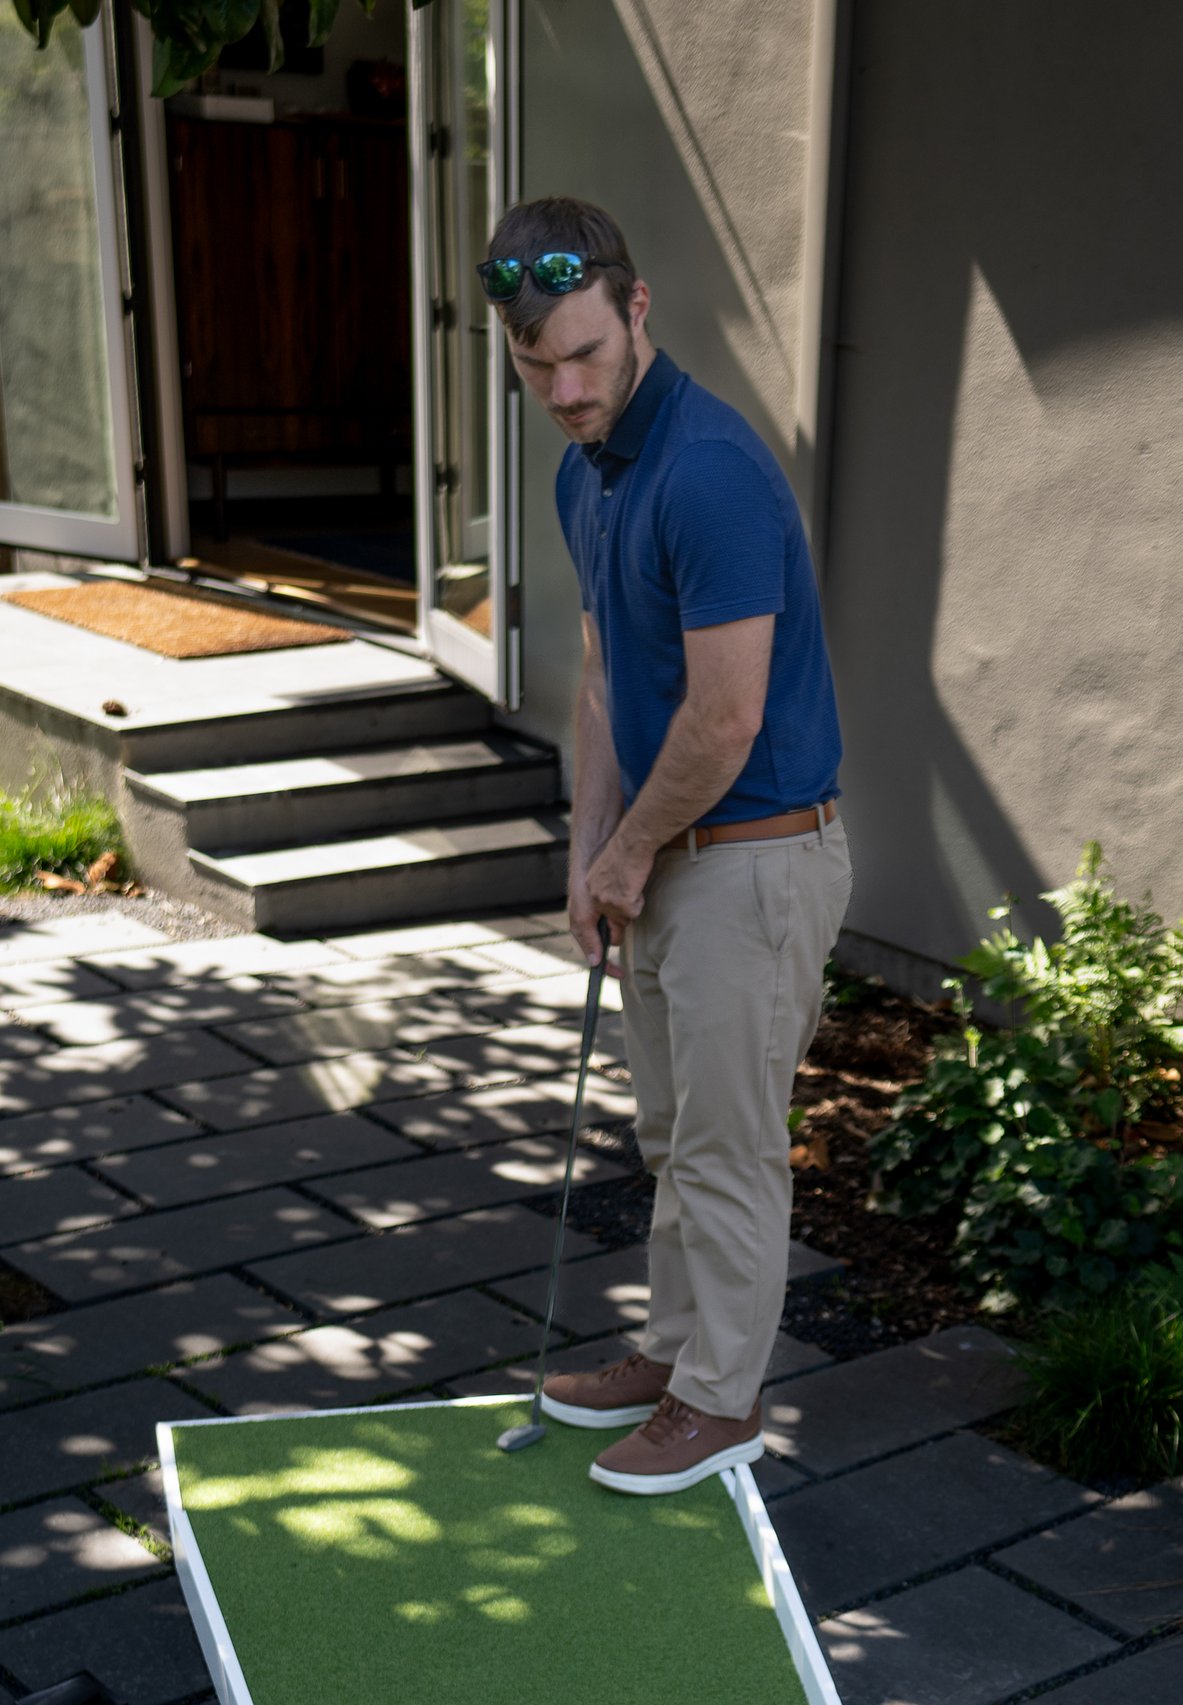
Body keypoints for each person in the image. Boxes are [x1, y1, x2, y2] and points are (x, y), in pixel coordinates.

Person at [480, 196, 852, 1496]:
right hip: (669, 851)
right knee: (670, 1133)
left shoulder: (709, 471)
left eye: (585, 355)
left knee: (728, 1143)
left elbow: (724, 715)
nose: (567, 388)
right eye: (538, 369)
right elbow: (600, 683)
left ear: (638, 311)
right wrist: (591, 856)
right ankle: (677, 1352)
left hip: (753, 855)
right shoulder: (588, 471)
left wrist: (631, 856)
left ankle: (722, 1403)